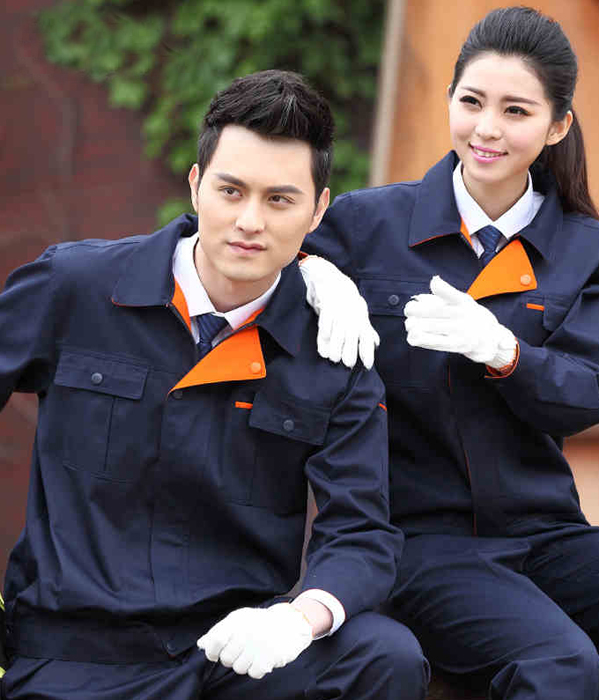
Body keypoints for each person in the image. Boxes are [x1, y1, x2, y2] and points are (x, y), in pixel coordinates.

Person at [301, 7, 599, 699]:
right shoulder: (364, 225)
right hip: (417, 540)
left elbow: (588, 394)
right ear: (450, 101)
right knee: (560, 662)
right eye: (472, 102)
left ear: (557, 126)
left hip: (546, 531)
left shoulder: (588, 248)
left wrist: (508, 352)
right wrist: (312, 272)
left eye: (516, 111)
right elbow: (236, 245)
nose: (487, 128)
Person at [0, 69, 428, 700]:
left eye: (279, 200)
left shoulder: (335, 348)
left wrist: (298, 618)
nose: (249, 221)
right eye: (231, 191)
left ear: (318, 210)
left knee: (383, 657)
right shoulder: (76, 287)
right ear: (197, 185)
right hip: (72, 657)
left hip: (230, 657)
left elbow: (362, 534)